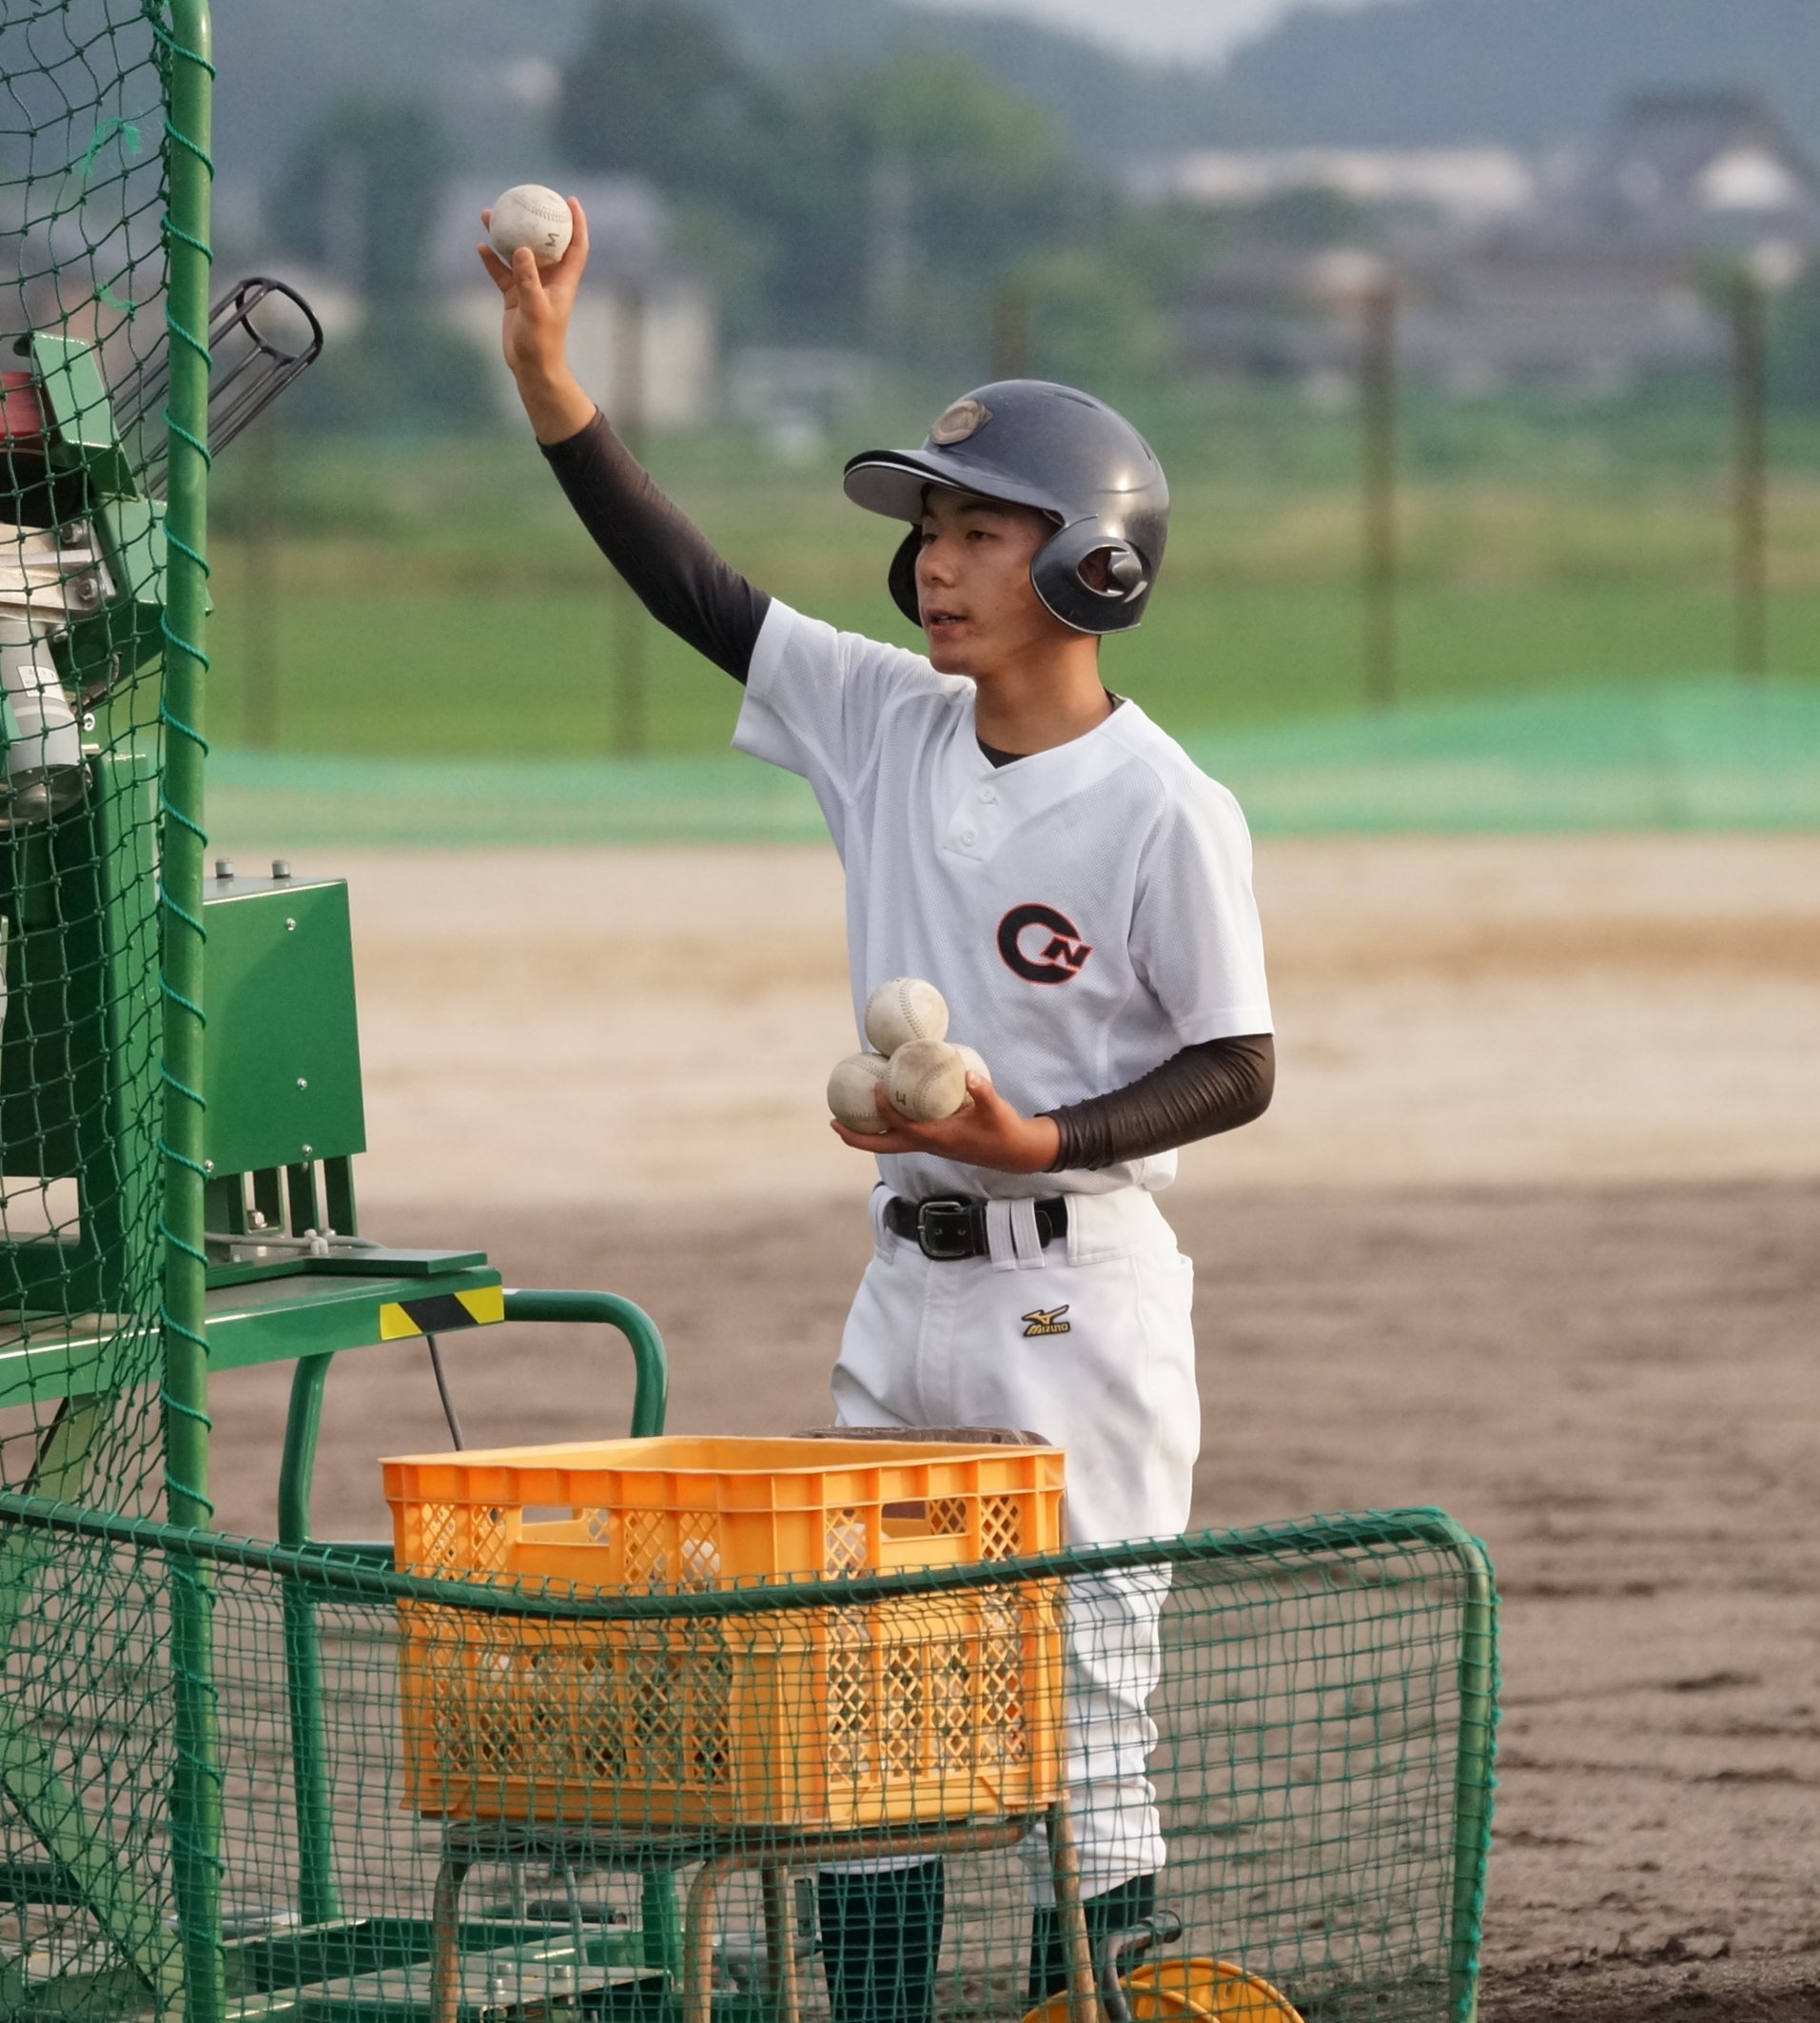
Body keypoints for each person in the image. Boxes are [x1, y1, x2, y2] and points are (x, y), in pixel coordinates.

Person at [479, 198, 1276, 2023]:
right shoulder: (881, 724)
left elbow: (1238, 1063)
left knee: (1083, 1693)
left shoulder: (1165, 806)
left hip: (1078, 1286)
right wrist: (551, 386)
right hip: (903, 1288)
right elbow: (693, 587)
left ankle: (1097, 2009)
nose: (931, 563)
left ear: (1091, 566)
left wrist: (1042, 1139)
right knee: (866, 1696)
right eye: (927, 529)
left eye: (977, 531)